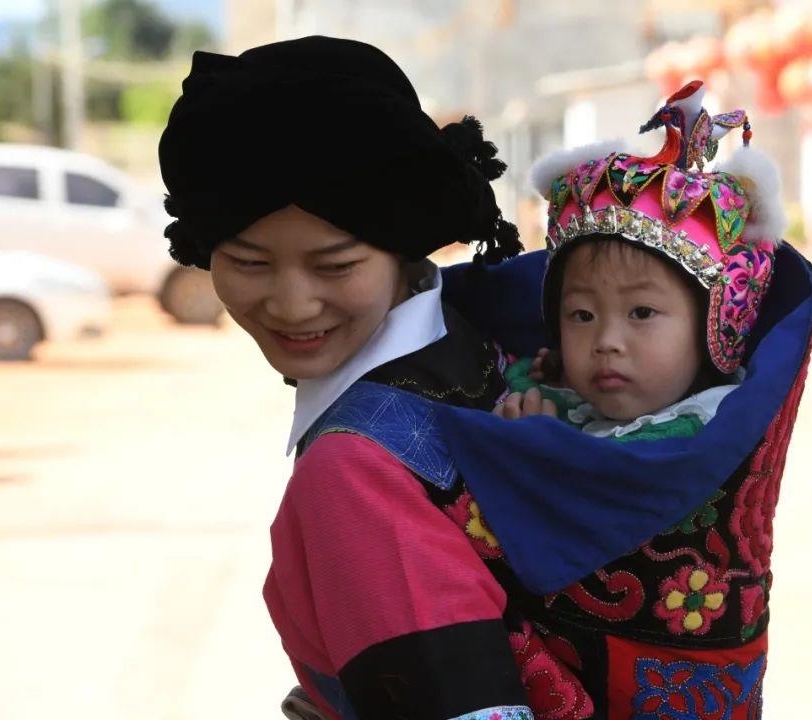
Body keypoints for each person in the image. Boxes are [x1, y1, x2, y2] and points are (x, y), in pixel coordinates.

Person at [157, 35, 570, 720]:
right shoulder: (482, 338)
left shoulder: (351, 471)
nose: (293, 305)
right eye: (250, 262)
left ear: (404, 249)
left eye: (335, 265)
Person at [427, 80, 812, 719]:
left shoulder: (701, 430)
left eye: (642, 313)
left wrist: (532, 450)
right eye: (581, 315)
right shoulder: (565, 396)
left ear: (713, 330)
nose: (606, 341)